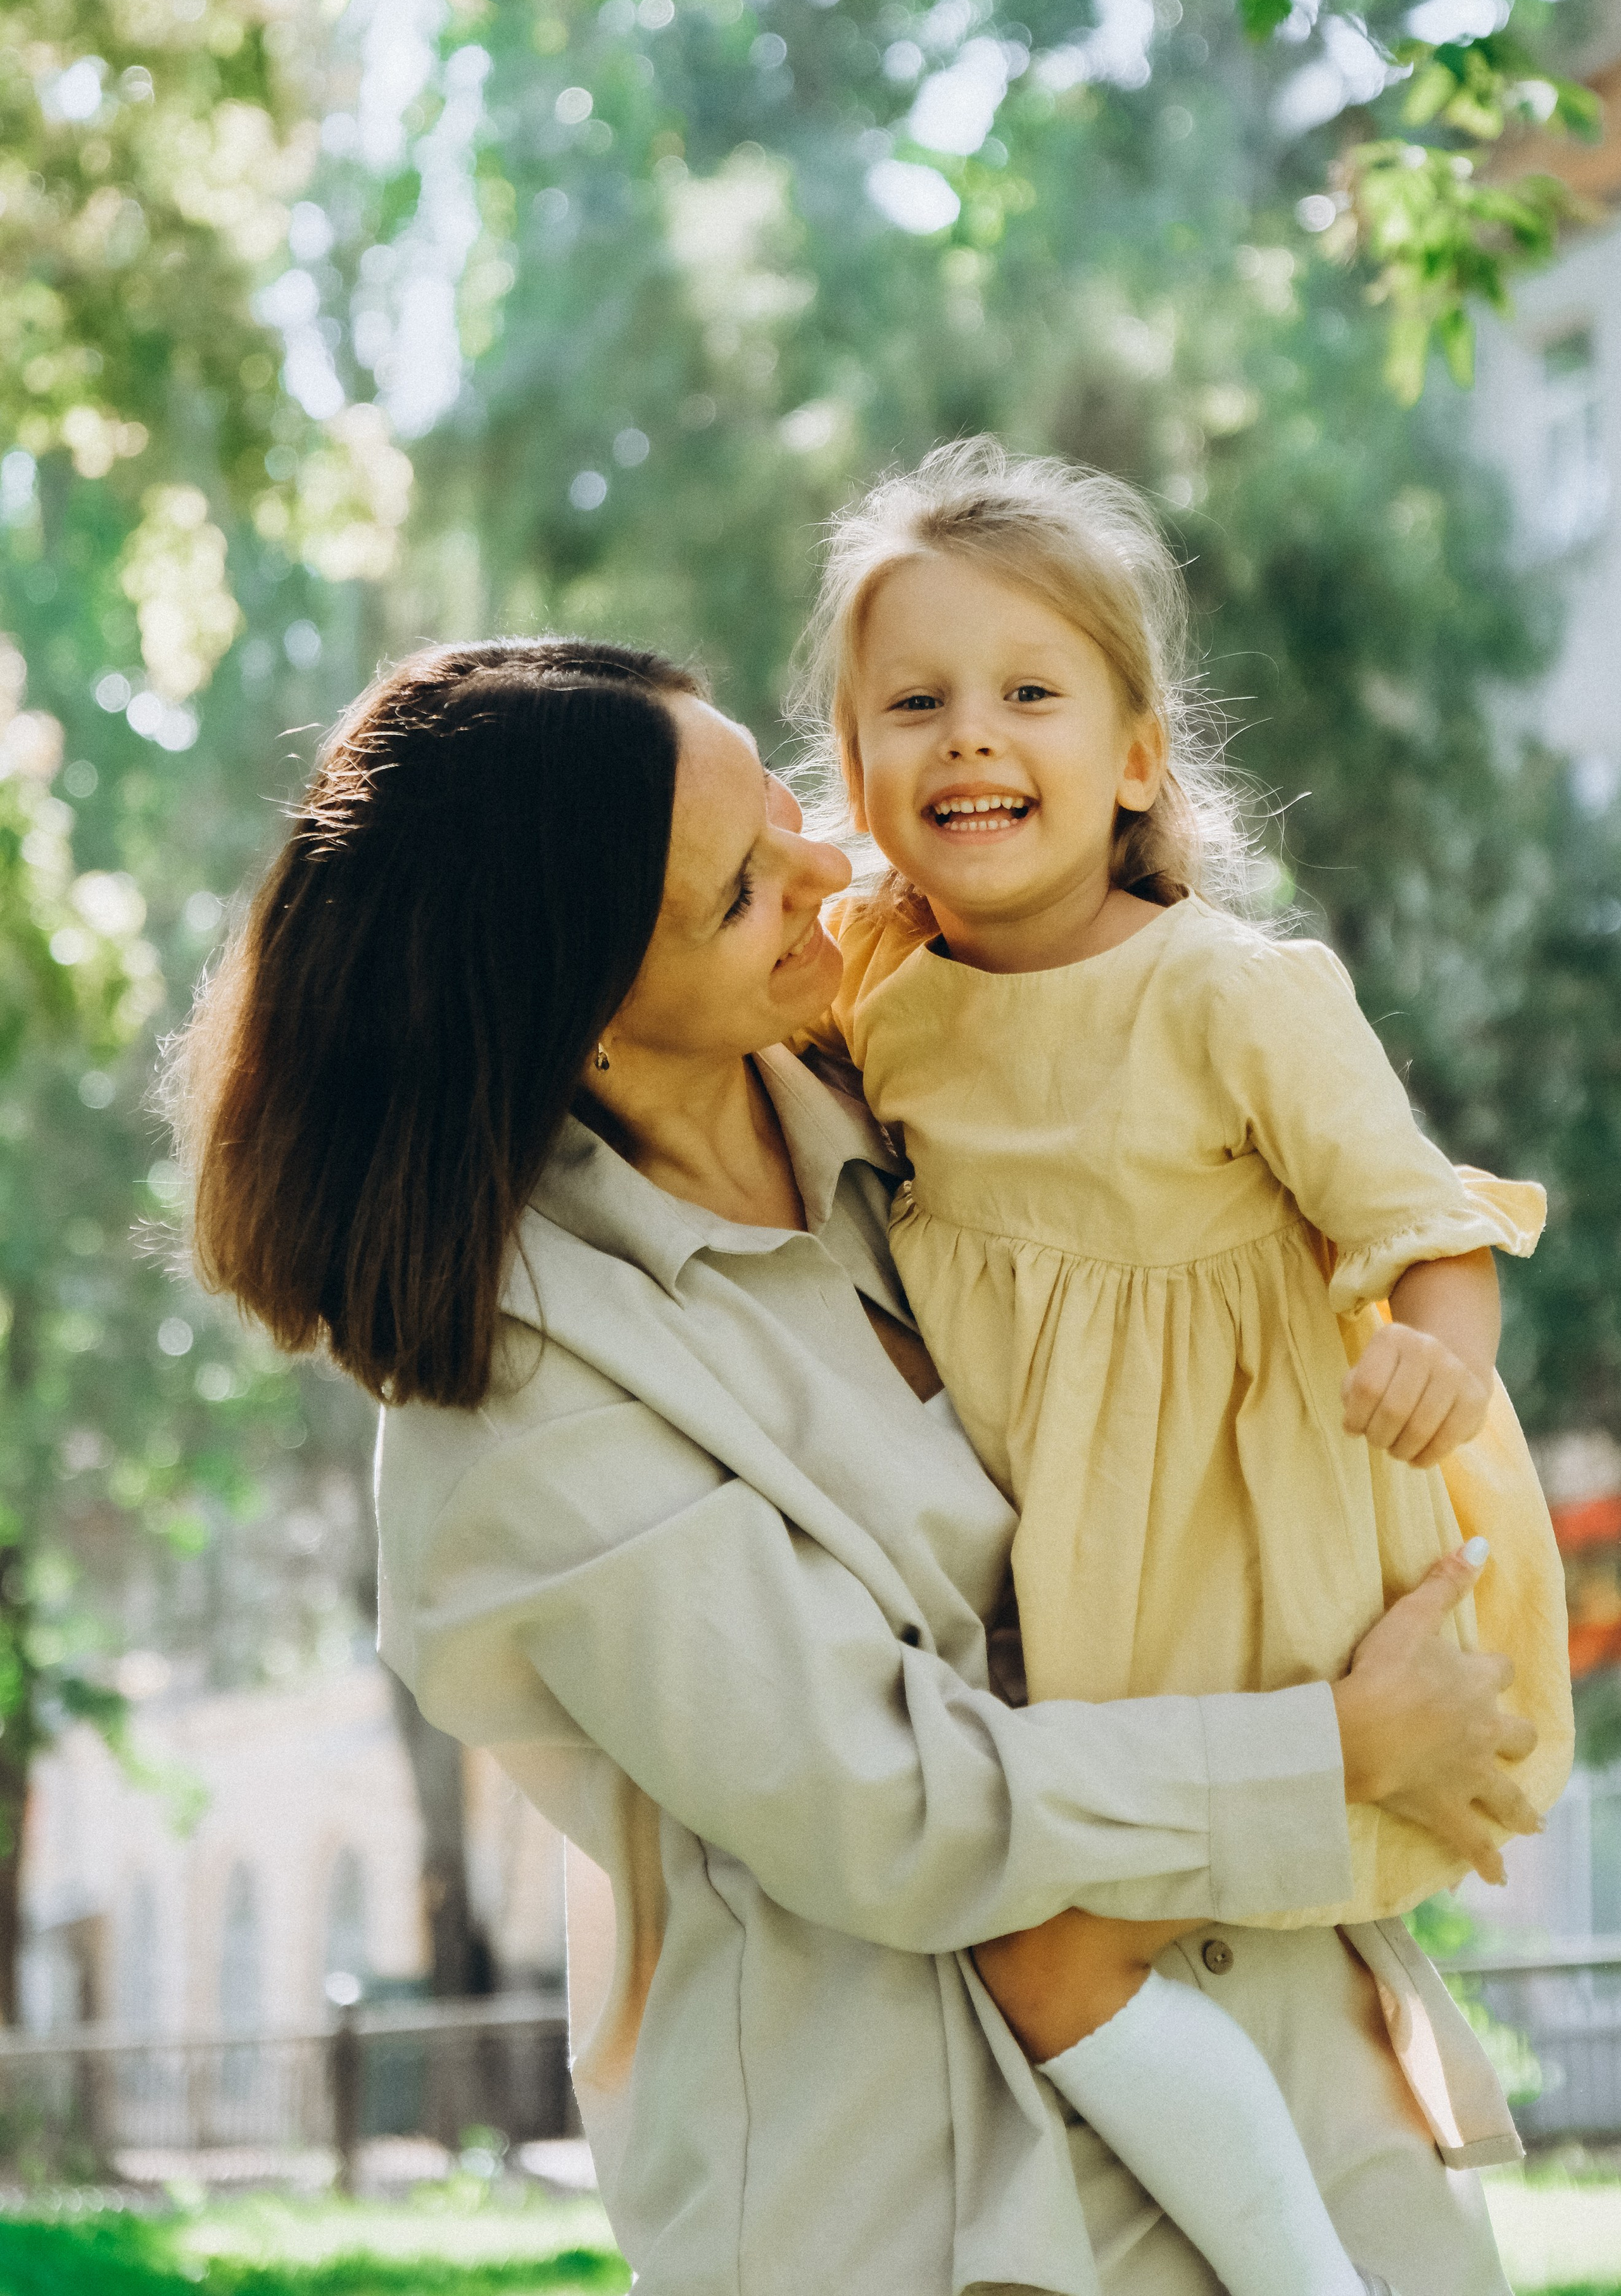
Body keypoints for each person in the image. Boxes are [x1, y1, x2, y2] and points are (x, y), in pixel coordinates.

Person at [170, 636, 1543, 2296]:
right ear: (586, 1010)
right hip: (932, 2195)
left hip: (1288, 2060)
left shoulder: (921, 1076)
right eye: (743, 893)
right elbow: (893, 1809)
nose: (826, 867)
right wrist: (1341, 1745)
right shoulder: (524, 1393)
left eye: (780, 804)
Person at [793, 437, 1574, 2296]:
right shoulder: (879, 1005)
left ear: (1139, 758)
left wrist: (1439, 1359)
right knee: (1048, 1935)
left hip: (1243, 1546)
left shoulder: (1229, 989)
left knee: (1062, 1938)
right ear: (857, 769)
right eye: (916, 703)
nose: (971, 738)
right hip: (1075, 1560)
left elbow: (1424, 1222)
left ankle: (1305, 2269)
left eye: (1030, 695)